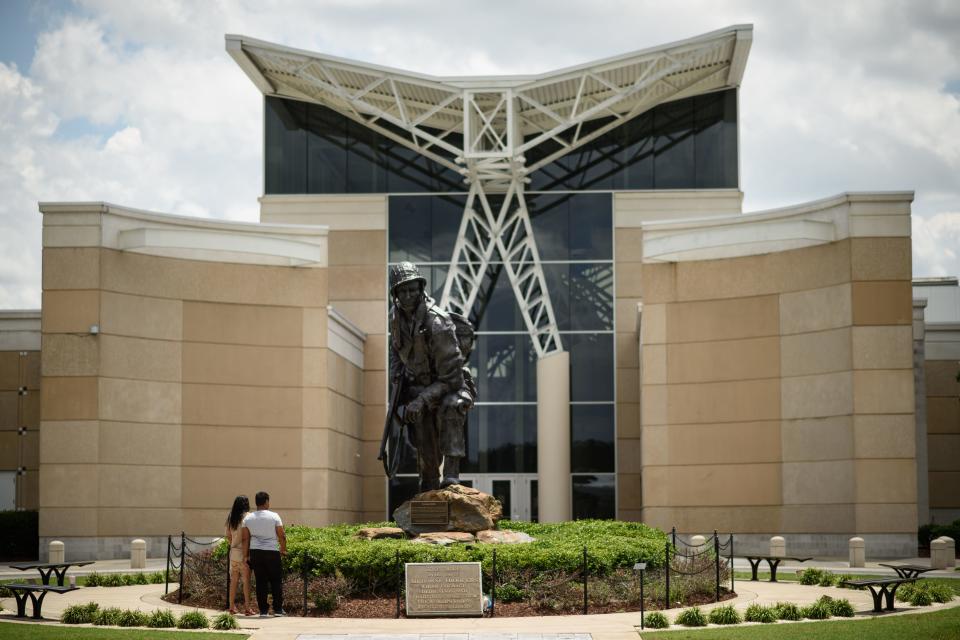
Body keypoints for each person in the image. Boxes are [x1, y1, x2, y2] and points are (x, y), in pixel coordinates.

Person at [387, 262, 467, 492]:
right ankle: (429, 480)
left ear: (421, 288)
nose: (408, 295)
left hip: (449, 385)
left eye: (412, 289)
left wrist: (421, 399)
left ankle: (451, 477)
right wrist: (396, 380)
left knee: (452, 406)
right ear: (395, 294)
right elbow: (396, 349)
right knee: (420, 425)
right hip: (418, 388)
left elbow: (452, 378)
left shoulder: (438, 323)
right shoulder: (396, 318)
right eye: (402, 290)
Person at [241, 491, 286, 617]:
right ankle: (278, 609)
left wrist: (245, 556)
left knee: (261, 582)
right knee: (276, 581)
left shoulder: (248, 518)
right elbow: (282, 535)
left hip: (256, 552)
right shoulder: (274, 516)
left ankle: (263, 611)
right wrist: (283, 549)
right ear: (266, 502)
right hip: (272, 551)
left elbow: (245, 539)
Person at [225, 495, 255, 616]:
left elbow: (228, 535)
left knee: (234, 580)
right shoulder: (248, 517)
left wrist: (233, 544)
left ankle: (231, 607)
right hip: (244, 553)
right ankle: (247, 608)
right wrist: (246, 554)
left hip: (233, 552)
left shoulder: (231, 517)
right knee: (246, 581)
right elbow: (247, 536)